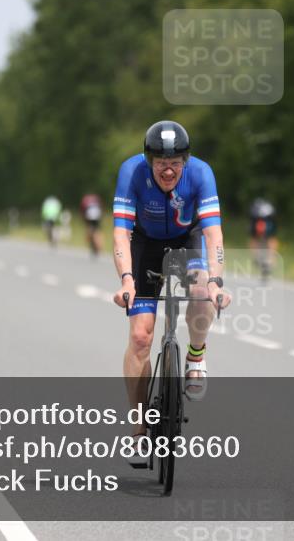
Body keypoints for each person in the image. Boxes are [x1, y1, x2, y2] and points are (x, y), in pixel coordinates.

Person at [111, 121, 232, 462]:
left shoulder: (202, 174)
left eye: (176, 162)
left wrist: (215, 281)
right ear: (148, 160)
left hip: (188, 240)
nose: (168, 169)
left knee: (200, 292)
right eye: (161, 162)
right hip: (145, 244)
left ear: (186, 160)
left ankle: (196, 355)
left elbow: (213, 235)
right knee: (139, 337)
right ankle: (138, 430)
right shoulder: (131, 172)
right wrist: (126, 280)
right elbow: (121, 233)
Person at [248, 197, 278, 277]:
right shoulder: (268, 209)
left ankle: (258, 257)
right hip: (268, 224)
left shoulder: (255, 210)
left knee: (255, 238)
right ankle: (271, 259)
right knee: (271, 238)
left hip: (262, 224)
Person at [80, 192, 104, 257]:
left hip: (89, 215)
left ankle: (89, 238)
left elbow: (82, 209)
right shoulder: (96, 198)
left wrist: (83, 218)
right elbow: (101, 207)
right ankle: (99, 244)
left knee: (89, 228)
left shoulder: (86, 199)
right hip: (97, 215)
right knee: (97, 229)